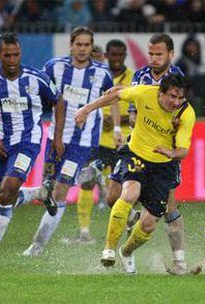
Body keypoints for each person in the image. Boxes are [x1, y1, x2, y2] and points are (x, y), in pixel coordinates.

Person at [75, 74, 196, 274]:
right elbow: (116, 96)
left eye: (180, 98)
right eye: (172, 97)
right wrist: (86, 109)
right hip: (135, 154)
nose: (176, 102)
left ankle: (126, 251)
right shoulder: (144, 93)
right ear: (161, 93)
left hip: (163, 167)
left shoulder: (186, 114)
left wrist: (171, 153)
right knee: (127, 194)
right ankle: (109, 249)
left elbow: (183, 151)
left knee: (148, 225)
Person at [0, 33, 65, 265]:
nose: (12, 59)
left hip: (28, 142)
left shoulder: (35, 78)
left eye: (16, 54)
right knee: (5, 198)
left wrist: (57, 137)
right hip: (0, 145)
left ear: (20, 53)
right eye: (7, 55)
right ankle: (40, 192)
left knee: (8, 189)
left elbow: (58, 101)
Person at [21, 27, 119, 256]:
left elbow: (113, 96)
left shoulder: (102, 73)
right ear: (71, 45)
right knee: (48, 190)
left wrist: (115, 127)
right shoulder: (54, 67)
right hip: (56, 137)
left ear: (91, 46)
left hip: (82, 143)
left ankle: (37, 246)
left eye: (87, 45)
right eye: (79, 44)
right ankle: (89, 174)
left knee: (60, 191)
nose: (83, 49)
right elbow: (39, 92)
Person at [107, 33, 191, 275]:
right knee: (113, 197)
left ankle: (179, 262)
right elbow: (132, 105)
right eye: (151, 53)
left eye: (159, 54)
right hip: (136, 147)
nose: (154, 59)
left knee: (170, 207)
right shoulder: (141, 75)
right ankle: (132, 217)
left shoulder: (177, 79)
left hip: (163, 155)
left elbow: (180, 115)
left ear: (171, 55)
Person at [69, 39, 133, 244]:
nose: (116, 58)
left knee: (123, 190)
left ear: (124, 56)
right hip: (98, 141)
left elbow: (138, 108)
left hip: (126, 144)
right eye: (112, 55)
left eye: (120, 55)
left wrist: (117, 122)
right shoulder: (98, 76)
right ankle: (84, 232)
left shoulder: (133, 78)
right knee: (87, 182)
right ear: (106, 55)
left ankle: (127, 226)